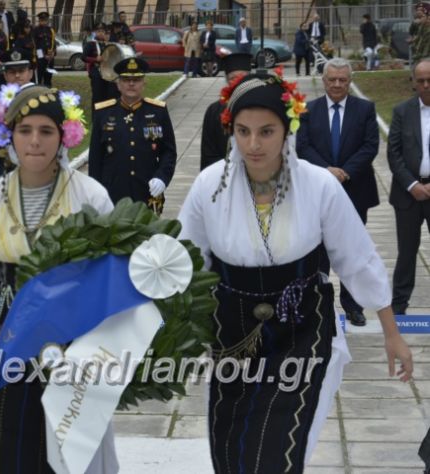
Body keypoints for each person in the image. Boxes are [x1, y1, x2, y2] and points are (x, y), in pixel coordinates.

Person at [178, 70, 413, 473]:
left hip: (302, 331)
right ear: (230, 130)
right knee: (231, 449)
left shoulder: (318, 185)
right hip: (232, 333)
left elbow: (358, 259)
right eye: (243, 131)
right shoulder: (208, 186)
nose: (253, 144)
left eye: (267, 131)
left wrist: (391, 333)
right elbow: (183, 260)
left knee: (278, 454)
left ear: (288, 129)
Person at [0, 84, 116, 473]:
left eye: (46, 131)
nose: (35, 142)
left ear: (65, 136)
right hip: (7, 345)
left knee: (66, 451)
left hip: (72, 348)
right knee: (3, 446)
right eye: (24, 130)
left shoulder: (90, 197)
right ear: (8, 135)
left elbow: (112, 283)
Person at [296, 58, 380, 326]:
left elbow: (370, 146)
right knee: (318, 251)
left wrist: (344, 172)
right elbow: (303, 147)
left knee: (351, 251)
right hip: (319, 193)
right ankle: (318, 305)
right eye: (332, 79)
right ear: (323, 81)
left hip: (355, 190)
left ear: (350, 81)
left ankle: (353, 305)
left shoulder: (365, 108)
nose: (337, 84)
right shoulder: (308, 110)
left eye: (342, 80)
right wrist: (328, 171)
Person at [89, 57, 176, 215]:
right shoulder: (103, 113)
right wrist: (95, 192)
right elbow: (95, 158)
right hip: (112, 193)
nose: (131, 84)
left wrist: (162, 177)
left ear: (144, 83)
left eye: (136, 80)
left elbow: (168, 152)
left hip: (147, 191)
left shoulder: (157, 112)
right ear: (118, 84)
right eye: (126, 79)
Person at [387, 58, 430, 315]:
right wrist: (412, 184)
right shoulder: (402, 111)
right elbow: (394, 153)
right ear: (413, 82)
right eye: (421, 80)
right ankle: (399, 304)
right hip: (407, 195)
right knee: (406, 253)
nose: (426, 85)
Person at [0, 52, 33, 182]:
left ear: (30, 73)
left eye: (21, 71)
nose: (17, 75)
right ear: (5, 75)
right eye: (12, 72)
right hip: (4, 173)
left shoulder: (41, 98)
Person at [200, 53, 252, 170]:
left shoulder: (261, 107)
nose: (238, 81)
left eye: (243, 77)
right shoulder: (214, 111)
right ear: (227, 81)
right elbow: (208, 153)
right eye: (233, 78)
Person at [83, 23, 111, 107]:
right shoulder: (91, 44)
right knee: (97, 95)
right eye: (98, 31)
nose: (101, 33)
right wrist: (95, 59)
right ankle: (96, 115)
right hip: (96, 72)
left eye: (102, 31)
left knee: (107, 94)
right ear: (95, 32)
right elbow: (83, 57)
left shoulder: (107, 44)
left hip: (107, 72)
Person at [33, 12, 56, 87]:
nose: (44, 22)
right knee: (39, 78)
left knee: (48, 78)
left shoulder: (51, 30)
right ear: (39, 20)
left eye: (45, 20)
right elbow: (35, 45)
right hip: (40, 59)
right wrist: (43, 56)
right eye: (42, 20)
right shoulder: (35, 30)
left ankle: (48, 91)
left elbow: (54, 43)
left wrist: (53, 53)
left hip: (50, 59)